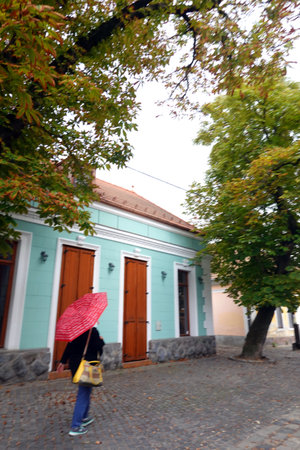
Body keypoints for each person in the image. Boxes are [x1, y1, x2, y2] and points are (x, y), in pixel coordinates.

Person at [57, 326, 105, 437]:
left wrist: (63, 362)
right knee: (83, 394)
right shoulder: (92, 331)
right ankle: (76, 425)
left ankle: (84, 417)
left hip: (76, 366)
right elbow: (99, 348)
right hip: (86, 366)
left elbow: (69, 346)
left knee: (86, 390)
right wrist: (101, 340)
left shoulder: (75, 330)